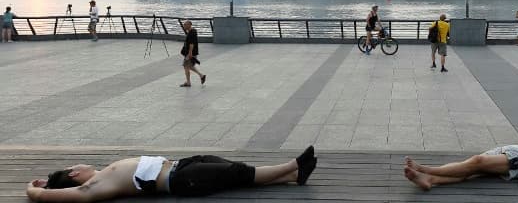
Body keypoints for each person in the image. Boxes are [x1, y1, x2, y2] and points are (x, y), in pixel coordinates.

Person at [26, 146, 318, 202]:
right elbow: (65, 195)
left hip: (182, 166)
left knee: (232, 170)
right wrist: (38, 190)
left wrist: (45, 184)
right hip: (180, 180)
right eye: (72, 167)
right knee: (238, 172)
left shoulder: (104, 174)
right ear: (74, 173)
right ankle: (293, 164)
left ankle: (292, 177)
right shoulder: (94, 186)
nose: (78, 165)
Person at [180, 20, 206, 87]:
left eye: (185, 25)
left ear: (189, 25)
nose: (184, 26)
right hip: (190, 52)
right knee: (189, 66)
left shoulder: (192, 32)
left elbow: (192, 43)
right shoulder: (191, 32)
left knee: (186, 66)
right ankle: (201, 76)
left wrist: (190, 53)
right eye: (184, 25)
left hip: (190, 53)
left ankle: (189, 82)